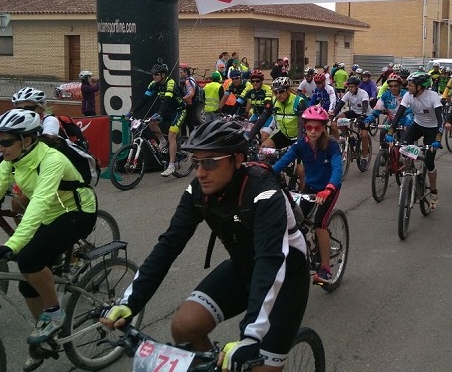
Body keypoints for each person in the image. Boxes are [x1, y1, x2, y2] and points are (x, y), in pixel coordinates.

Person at [100, 121, 309, 372]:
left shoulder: (264, 192)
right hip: (243, 266)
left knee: (258, 367)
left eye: (210, 162)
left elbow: (270, 260)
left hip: (285, 277)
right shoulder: (198, 191)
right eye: (196, 162)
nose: (200, 172)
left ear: (237, 159)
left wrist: (250, 337)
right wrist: (131, 302)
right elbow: (169, 245)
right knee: (185, 326)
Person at [0, 109, 96, 371]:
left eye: (6, 142)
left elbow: (37, 205)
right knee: (27, 285)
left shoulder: (51, 160)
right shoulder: (12, 162)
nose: (0, 147)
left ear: (27, 140)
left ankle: (55, 315)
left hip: (77, 213)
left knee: (28, 259)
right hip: (49, 214)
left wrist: (13, 244)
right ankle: (45, 337)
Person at [0, 87, 62, 215]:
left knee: (40, 210)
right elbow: (0, 150)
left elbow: (43, 147)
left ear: (41, 108)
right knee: (17, 206)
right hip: (32, 169)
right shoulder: (22, 125)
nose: (23, 112)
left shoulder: (49, 121)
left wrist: (22, 182)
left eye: (28, 108)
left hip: (54, 169)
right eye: (19, 109)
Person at [273, 106, 342, 284]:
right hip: (311, 186)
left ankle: (325, 268)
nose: (312, 131)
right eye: (308, 127)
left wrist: (329, 188)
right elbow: (283, 161)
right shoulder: (300, 145)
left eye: (317, 128)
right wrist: (266, 175)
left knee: (320, 224)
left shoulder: (332, 145)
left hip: (329, 188)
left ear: (323, 128)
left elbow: (337, 169)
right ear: (304, 127)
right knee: (296, 219)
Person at [387, 71, 443, 210]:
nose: (408, 86)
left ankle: (434, 192)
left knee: (429, 162)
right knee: (404, 147)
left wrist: (438, 139)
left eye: (411, 85)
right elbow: (399, 114)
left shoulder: (432, 96)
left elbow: (441, 119)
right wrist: (391, 132)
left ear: (420, 87)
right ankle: (410, 172)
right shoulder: (408, 95)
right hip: (417, 126)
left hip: (433, 129)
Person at [127, 62, 187, 177]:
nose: (154, 76)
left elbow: (167, 101)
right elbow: (144, 99)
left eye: (156, 74)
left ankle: (171, 165)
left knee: (172, 135)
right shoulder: (153, 84)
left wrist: (159, 114)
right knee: (151, 122)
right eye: (153, 74)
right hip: (167, 111)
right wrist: (132, 111)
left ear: (163, 75)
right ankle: (163, 142)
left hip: (178, 111)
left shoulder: (170, 83)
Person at [330, 76, 370, 169]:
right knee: (339, 119)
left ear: (357, 86)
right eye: (349, 87)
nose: (350, 89)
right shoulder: (348, 94)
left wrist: (363, 115)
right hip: (354, 112)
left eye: (352, 87)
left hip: (365, 114)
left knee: (363, 135)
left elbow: (365, 104)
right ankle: (349, 136)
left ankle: (364, 157)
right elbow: (341, 104)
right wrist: (334, 114)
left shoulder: (363, 93)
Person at [259, 78, 309, 149]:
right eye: (275, 92)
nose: (278, 95)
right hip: (284, 135)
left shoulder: (298, 102)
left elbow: (301, 126)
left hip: (298, 136)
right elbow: (261, 120)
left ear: (288, 90)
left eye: (281, 91)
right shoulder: (274, 101)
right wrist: (248, 137)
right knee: (264, 148)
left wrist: (298, 144)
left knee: (298, 154)